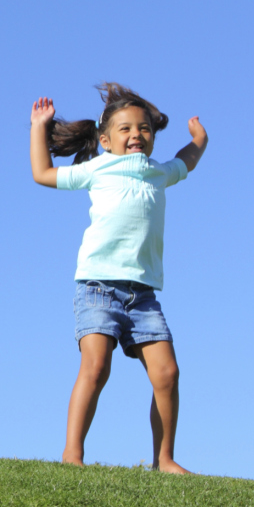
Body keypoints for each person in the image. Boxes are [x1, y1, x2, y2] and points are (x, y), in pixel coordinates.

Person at [28, 84, 209, 474]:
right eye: (125, 129)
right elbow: (42, 173)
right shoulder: (98, 168)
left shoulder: (159, 172)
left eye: (144, 128)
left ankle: (164, 460)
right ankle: (72, 455)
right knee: (96, 367)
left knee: (168, 373)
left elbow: (186, 161)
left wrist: (199, 140)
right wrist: (38, 128)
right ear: (105, 140)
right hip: (98, 288)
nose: (136, 134)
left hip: (143, 296)